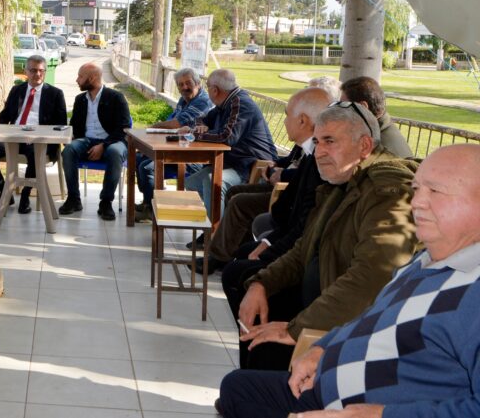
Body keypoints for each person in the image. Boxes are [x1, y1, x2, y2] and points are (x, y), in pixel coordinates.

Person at [218, 144, 480, 418]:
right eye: (416, 189)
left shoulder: (473, 292)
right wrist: (322, 348)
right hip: (325, 386)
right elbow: (371, 317)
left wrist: (379, 415)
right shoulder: (425, 259)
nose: (416, 202)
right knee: (236, 388)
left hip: (363, 408)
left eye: (435, 191)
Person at [232, 102, 418, 371]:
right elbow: (304, 248)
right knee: (250, 300)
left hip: (354, 326)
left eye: (330, 141)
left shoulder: (387, 191)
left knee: (262, 351)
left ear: (365, 146)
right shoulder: (342, 181)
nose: (319, 152)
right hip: (323, 296)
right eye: (317, 142)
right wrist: (261, 283)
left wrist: (296, 329)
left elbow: (373, 277)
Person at [200, 87, 330, 274]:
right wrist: (275, 167)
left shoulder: (319, 153)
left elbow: (302, 214)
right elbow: (290, 163)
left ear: (302, 120)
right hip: (281, 196)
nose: (284, 121)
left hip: (286, 207)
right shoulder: (307, 147)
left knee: (238, 201)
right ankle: (231, 250)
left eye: (287, 115)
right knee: (235, 192)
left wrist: (281, 175)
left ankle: (220, 256)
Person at [179, 68, 277, 217]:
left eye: (208, 87)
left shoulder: (240, 103)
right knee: (192, 183)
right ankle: (220, 221)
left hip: (253, 166)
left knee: (212, 181)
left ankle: (217, 229)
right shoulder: (226, 103)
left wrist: (193, 134)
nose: (207, 90)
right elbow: (202, 119)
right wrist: (200, 127)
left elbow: (227, 136)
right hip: (234, 163)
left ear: (215, 90)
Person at [0, 54, 67, 214]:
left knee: (35, 155)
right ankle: (4, 192)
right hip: (14, 138)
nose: (37, 74)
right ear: (26, 71)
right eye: (33, 70)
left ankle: (25, 195)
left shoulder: (55, 94)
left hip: (39, 141)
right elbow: (4, 116)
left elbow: (61, 123)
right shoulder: (17, 90)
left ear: (45, 72)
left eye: (41, 70)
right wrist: (2, 131)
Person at [134, 67, 213, 220]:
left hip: (193, 157)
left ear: (197, 83)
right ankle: (148, 202)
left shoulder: (203, 100)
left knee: (147, 167)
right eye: (180, 84)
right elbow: (172, 121)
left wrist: (154, 126)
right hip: (176, 151)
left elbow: (176, 124)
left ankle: (152, 209)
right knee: (138, 159)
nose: (184, 87)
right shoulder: (184, 99)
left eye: (188, 83)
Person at [59, 62, 131, 220]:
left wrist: (103, 145)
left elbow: (124, 128)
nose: (77, 80)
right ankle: (73, 199)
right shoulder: (80, 99)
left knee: (115, 152)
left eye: (80, 76)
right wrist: (70, 138)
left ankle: (106, 202)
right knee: (69, 150)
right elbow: (75, 126)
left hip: (112, 141)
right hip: (86, 141)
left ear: (91, 78)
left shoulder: (116, 97)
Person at [340, 75, 413, 158]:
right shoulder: (377, 131)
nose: (339, 111)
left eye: (343, 105)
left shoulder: (378, 147)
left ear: (362, 107)